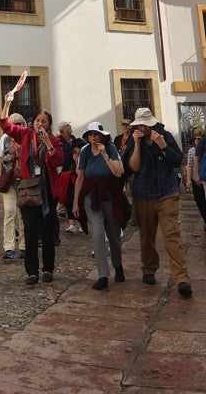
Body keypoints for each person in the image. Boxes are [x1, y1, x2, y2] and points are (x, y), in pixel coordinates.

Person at [125, 108, 192, 297]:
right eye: (139, 125)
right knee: (147, 236)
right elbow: (132, 167)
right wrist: (137, 145)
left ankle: (182, 278)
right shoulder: (133, 140)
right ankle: (148, 269)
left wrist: (162, 145)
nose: (143, 128)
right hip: (143, 194)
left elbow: (176, 160)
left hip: (167, 193)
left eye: (145, 124)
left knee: (172, 235)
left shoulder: (165, 136)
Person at [0, 96, 64, 285]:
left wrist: (48, 144)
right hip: (28, 191)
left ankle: (48, 269)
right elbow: (5, 125)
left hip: (47, 192)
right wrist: (8, 103)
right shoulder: (25, 135)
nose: (40, 124)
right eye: (37, 120)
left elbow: (57, 161)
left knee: (47, 232)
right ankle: (32, 272)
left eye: (44, 121)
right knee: (30, 231)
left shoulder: (54, 140)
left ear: (49, 124)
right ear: (32, 122)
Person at [72, 121, 128, 290]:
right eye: (90, 134)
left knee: (113, 233)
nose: (93, 137)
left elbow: (119, 172)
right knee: (97, 234)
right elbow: (80, 177)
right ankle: (103, 274)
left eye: (96, 134)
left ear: (102, 135)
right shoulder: (85, 151)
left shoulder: (110, 148)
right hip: (91, 196)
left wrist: (105, 156)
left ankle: (118, 265)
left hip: (109, 194)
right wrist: (75, 202)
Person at [0, 113, 26, 259]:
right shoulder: (5, 138)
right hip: (9, 180)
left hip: (24, 182)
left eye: (20, 123)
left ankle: (24, 245)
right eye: (15, 123)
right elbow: (0, 159)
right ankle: (8, 247)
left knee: (23, 214)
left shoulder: (26, 137)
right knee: (9, 212)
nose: (18, 126)